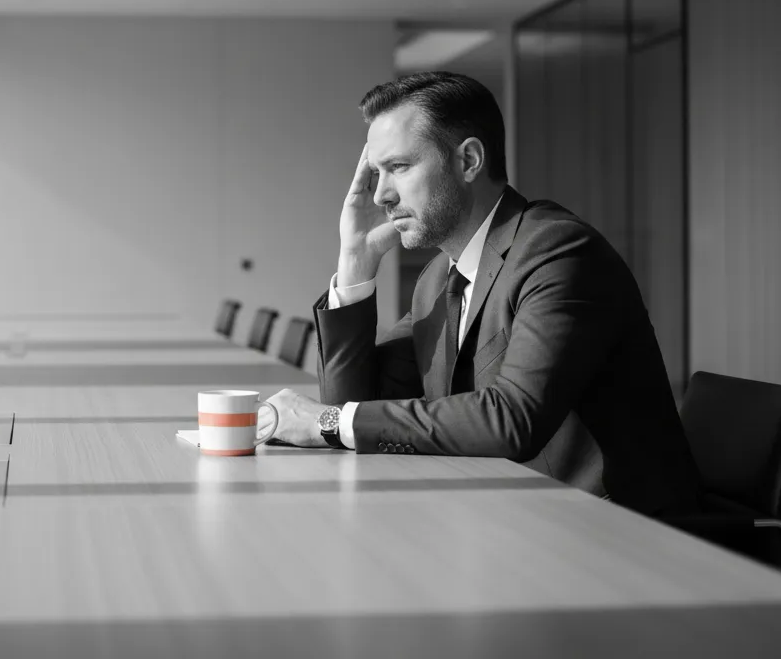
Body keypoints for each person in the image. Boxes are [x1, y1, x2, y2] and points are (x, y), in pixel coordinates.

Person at [262, 71, 700, 516]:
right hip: (504, 517)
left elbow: (513, 419)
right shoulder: (437, 279)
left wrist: (328, 422)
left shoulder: (558, 251)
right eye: (377, 173)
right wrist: (355, 262)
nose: (380, 196)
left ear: (469, 161)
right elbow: (352, 410)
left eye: (398, 167)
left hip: (616, 533)